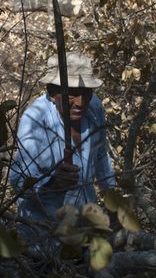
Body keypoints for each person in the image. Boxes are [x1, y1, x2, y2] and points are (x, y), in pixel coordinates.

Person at [9, 52, 116, 251]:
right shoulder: (35, 120)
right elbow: (17, 181)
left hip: (85, 226)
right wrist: (51, 184)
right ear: (52, 91)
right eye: (72, 93)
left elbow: (101, 156)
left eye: (86, 92)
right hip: (43, 235)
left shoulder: (95, 108)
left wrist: (115, 203)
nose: (81, 102)